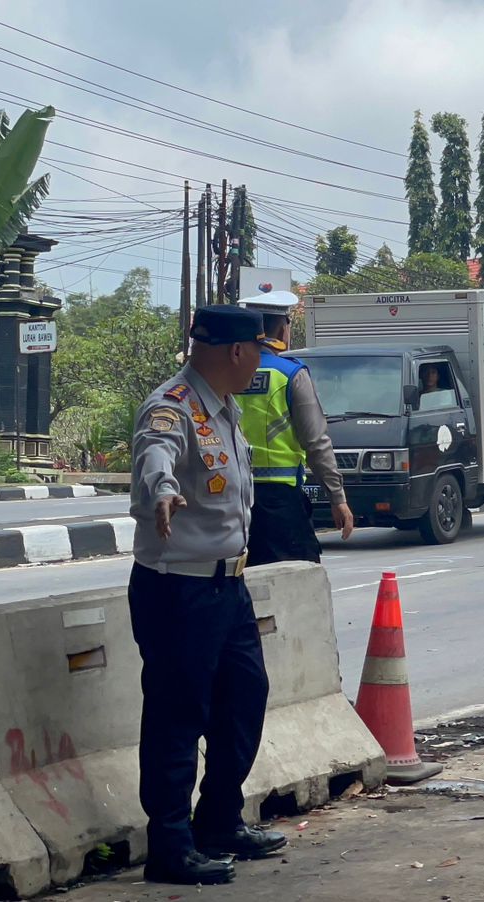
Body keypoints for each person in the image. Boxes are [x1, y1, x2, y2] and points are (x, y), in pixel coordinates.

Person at [128, 306, 287, 885]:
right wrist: (163, 492)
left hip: (229, 586)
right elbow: (155, 458)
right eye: (258, 351)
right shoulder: (172, 408)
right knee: (177, 715)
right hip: (178, 591)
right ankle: (169, 846)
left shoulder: (225, 411)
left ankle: (219, 818)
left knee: (243, 699)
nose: (262, 361)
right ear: (237, 352)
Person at [235, 291, 353, 565]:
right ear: (282, 327)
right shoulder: (290, 374)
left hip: (233, 497)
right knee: (298, 576)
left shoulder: (231, 370)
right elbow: (316, 442)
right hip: (280, 500)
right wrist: (338, 498)